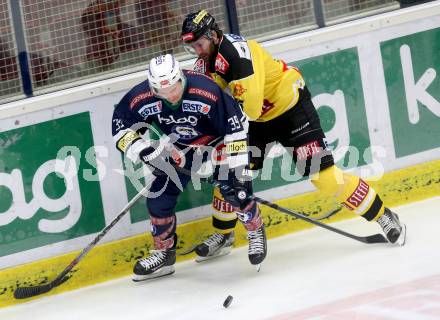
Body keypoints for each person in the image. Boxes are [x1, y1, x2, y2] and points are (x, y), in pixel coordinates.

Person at [180, 10, 407, 260]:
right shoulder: (206, 61)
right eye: (192, 48)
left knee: (326, 178)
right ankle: (224, 234)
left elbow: (250, 109)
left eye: (199, 45)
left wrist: (218, 128)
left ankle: (384, 215)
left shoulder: (237, 56)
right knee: (228, 174)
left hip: (290, 112)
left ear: (212, 35)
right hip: (254, 122)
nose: (197, 52)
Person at [112, 54, 267, 281]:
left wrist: (237, 169)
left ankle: (255, 230)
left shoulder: (205, 90)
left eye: (174, 88)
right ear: (153, 89)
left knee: (234, 189)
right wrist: (147, 152)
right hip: (184, 145)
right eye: (162, 92)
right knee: (159, 196)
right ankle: (164, 253)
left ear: (181, 78)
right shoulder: (141, 97)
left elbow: (236, 127)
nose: (171, 96)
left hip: (222, 138)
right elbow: (120, 130)